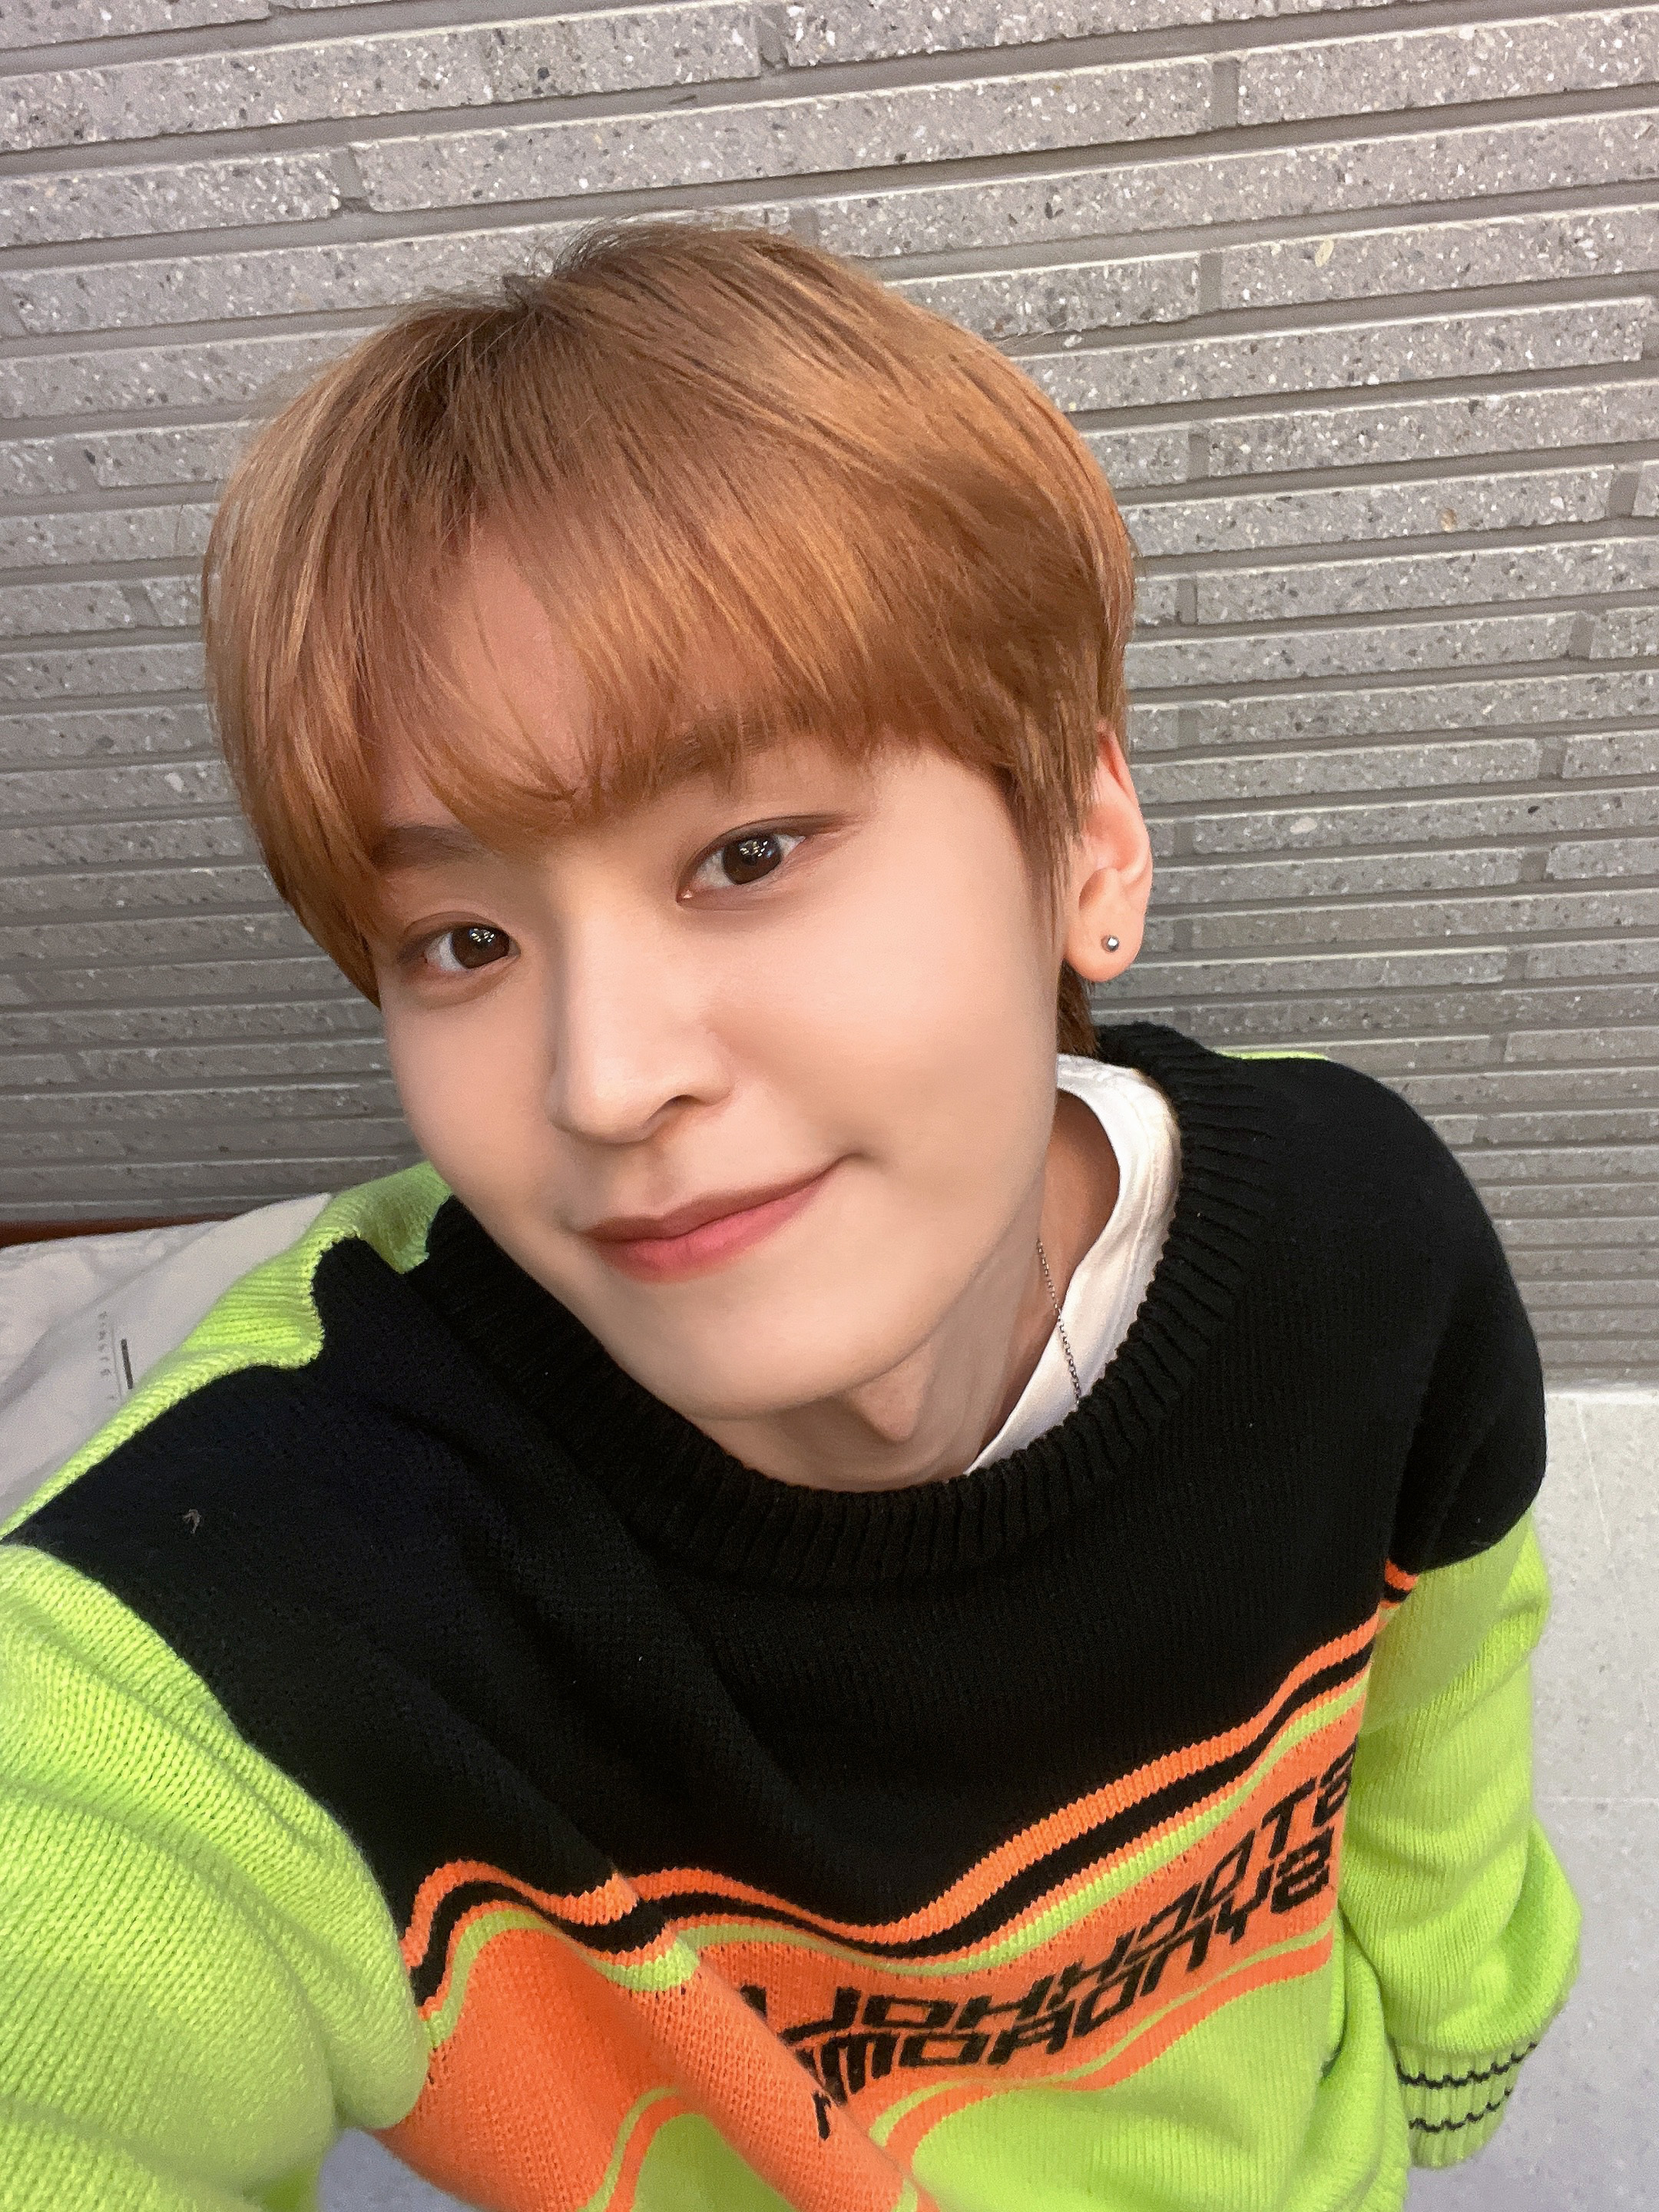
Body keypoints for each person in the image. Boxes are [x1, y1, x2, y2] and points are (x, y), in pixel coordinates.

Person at [0, 218, 1578, 2212]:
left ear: (1086, 848)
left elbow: (1443, 1707)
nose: (600, 1080)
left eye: (746, 851)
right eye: (463, 939)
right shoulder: (264, 1616)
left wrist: (1451, 2053)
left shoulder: (1363, 1247)